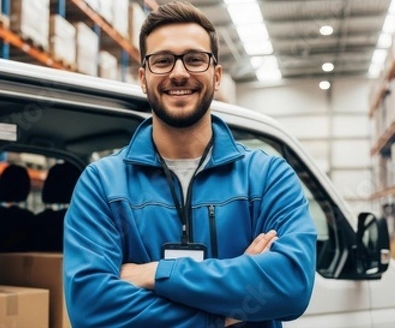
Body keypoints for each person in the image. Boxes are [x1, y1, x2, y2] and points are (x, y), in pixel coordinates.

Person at [63, 2, 316, 327]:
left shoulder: (267, 177)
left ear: (217, 74)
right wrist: (223, 317)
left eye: (194, 59)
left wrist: (153, 273)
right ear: (143, 77)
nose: (179, 72)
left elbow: (290, 285)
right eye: (163, 60)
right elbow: (90, 308)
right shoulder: (101, 184)